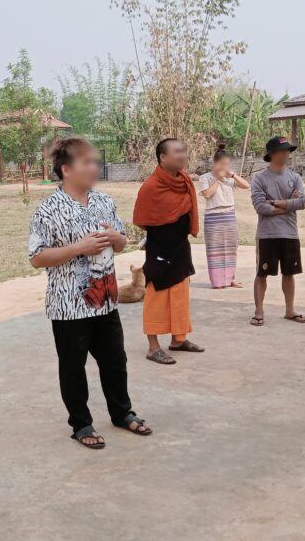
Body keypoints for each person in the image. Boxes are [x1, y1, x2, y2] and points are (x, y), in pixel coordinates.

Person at [28, 136, 150, 448]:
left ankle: (122, 413)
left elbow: (121, 242)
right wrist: (78, 248)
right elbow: (36, 257)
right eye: (87, 162)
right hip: (69, 305)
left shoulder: (104, 201)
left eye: (95, 161)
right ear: (67, 169)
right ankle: (81, 424)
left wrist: (116, 238)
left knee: (115, 361)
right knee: (73, 368)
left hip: (106, 301)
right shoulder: (48, 210)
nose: (94, 167)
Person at [133, 138, 203, 365]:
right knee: (157, 296)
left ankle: (178, 339)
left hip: (180, 246)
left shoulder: (184, 181)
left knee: (180, 294)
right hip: (160, 248)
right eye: (177, 151)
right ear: (163, 157)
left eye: (184, 150)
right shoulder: (151, 186)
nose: (183, 155)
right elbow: (143, 219)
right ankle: (153, 347)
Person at [250, 135, 305, 326]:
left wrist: (274, 201)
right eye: (283, 150)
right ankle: (259, 311)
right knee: (262, 274)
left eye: (288, 150)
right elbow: (261, 207)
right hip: (267, 234)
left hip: (289, 233)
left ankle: (290, 310)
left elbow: (303, 202)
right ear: (272, 154)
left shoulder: (295, 177)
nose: (287, 154)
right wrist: (289, 204)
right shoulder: (259, 178)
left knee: (289, 273)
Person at [199, 144, 250, 289]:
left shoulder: (230, 178)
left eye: (227, 164)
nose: (225, 167)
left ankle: (230, 279)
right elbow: (207, 194)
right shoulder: (205, 178)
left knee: (231, 249)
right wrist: (218, 180)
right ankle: (217, 282)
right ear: (214, 163)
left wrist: (233, 175)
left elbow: (246, 185)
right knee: (215, 251)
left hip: (229, 216)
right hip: (213, 217)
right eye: (222, 164)